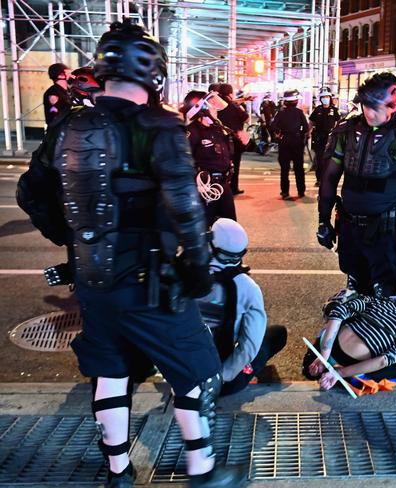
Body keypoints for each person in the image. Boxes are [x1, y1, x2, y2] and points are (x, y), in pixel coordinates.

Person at [16, 21, 245, 488]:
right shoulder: (158, 126)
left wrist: (73, 237)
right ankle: (202, 469)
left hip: (92, 279)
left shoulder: (69, 124)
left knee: (111, 370)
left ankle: (119, 472)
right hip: (148, 277)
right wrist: (199, 270)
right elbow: (185, 207)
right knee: (197, 368)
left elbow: (30, 193)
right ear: (154, 74)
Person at [317, 72, 396, 297]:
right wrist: (323, 220)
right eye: (368, 106)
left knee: (384, 295)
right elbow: (329, 178)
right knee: (353, 293)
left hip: (388, 233)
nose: (372, 113)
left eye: (380, 107)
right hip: (350, 229)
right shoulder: (345, 131)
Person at [198, 219, 287, 396]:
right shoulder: (247, 287)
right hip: (222, 383)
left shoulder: (187, 274)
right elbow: (249, 346)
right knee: (276, 334)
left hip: (183, 380)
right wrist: (220, 379)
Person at [303, 282, 396, 389]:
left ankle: (316, 358)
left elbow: (339, 312)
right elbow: (384, 360)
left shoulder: (381, 301)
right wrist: (339, 373)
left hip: (329, 346)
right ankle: (358, 377)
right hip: (351, 363)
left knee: (347, 315)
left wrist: (324, 356)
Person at [182, 90, 237, 225]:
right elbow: (184, 161)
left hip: (224, 184)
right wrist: (197, 180)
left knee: (230, 224)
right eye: (211, 105)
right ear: (202, 110)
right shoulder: (192, 132)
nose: (215, 110)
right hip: (205, 188)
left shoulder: (218, 129)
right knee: (206, 227)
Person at [210, 83, 249, 196]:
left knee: (220, 164)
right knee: (235, 164)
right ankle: (233, 188)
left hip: (217, 139)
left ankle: (219, 186)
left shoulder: (214, 104)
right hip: (233, 139)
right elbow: (245, 118)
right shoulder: (232, 106)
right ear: (230, 93)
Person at [270, 89, 309, 199]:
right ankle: (301, 191)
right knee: (299, 168)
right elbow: (305, 128)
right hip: (297, 142)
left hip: (284, 142)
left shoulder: (280, 113)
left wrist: (279, 133)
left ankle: (285, 192)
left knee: (284, 169)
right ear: (295, 101)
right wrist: (300, 135)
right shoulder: (299, 112)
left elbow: (273, 126)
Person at [309, 88, 341, 187]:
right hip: (319, 137)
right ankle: (319, 179)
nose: (325, 99)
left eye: (327, 97)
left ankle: (328, 179)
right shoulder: (317, 109)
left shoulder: (335, 110)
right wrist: (308, 132)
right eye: (323, 97)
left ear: (330, 98)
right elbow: (311, 121)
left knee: (329, 160)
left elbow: (339, 122)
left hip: (330, 138)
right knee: (319, 159)